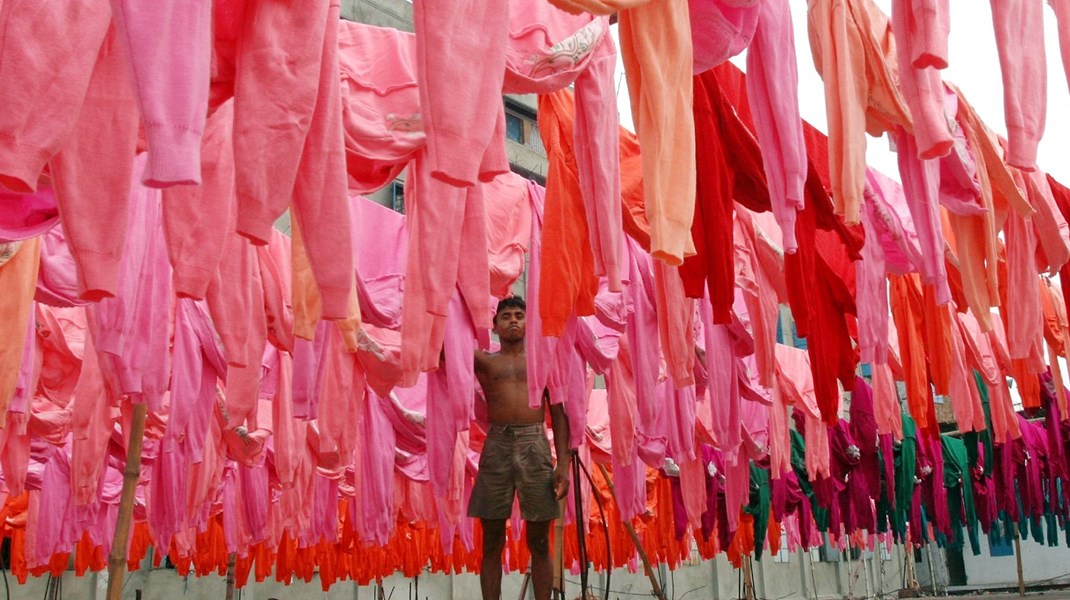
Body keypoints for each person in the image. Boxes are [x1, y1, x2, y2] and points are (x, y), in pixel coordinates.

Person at [467, 296, 571, 600]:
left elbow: (560, 412)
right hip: (497, 444)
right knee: (492, 539)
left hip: (534, 444)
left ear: (528, 324)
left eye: (519, 315)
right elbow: (445, 347)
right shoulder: (484, 361)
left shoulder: (543, 361)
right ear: (496, 325)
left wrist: (562, 464)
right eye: (506, 316)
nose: (513, 320)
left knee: (539, 540)